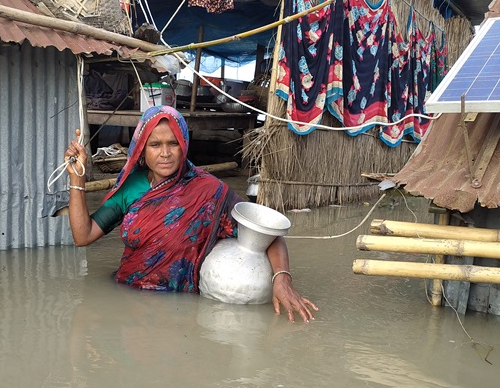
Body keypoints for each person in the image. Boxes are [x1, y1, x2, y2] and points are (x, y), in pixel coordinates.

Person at [63, 105, 317, 323]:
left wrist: (282, 279)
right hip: (125, 301)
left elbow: (266, 233)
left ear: (184, 144)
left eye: (173, 143)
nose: (165, 153)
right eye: (155, 144)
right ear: (141, 148)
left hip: (179, 313)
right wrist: (78, 180)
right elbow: (83, 236)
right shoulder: (130, 187)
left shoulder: (209, 191)